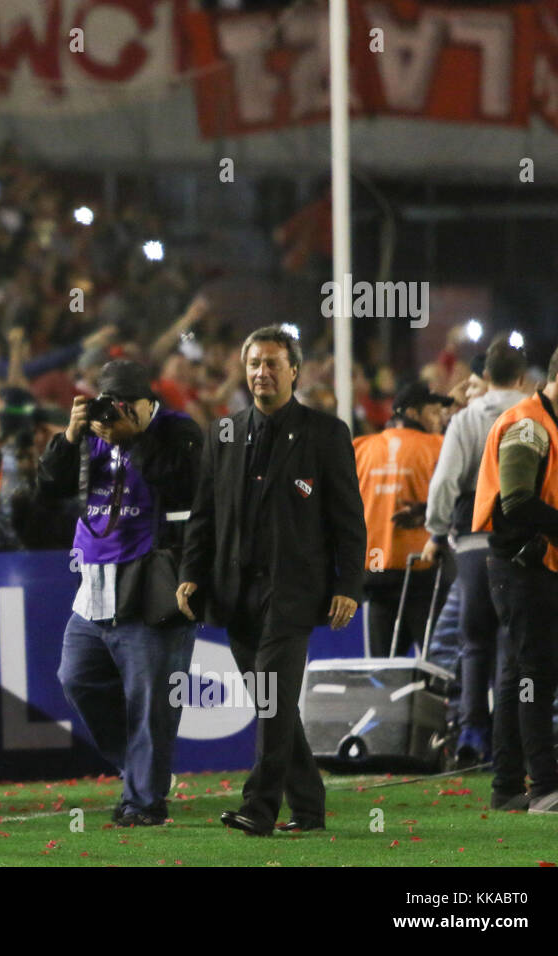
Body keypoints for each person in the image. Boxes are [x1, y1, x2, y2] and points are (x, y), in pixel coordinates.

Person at [177, 325, 366, 836]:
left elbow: (349, 519)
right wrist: (192, 574)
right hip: (236, 595)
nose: (262, 372)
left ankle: (259, 807)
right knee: (272, 701)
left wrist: (349, 583)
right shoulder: (222, 433)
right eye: (255, 363)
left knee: (271, 697)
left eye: (272, 364)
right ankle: (309, 806)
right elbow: (204, 517)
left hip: (293, 593)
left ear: (294, 371)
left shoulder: (326, 434)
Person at [40, 361, 203, 826]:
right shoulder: (90, 432)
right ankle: (142, 772)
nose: (115, 415)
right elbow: (47, 488)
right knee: (77, 678)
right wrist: (70, 438)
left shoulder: (179, 431)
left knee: (150, 701)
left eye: (127, 406)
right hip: (94, 585)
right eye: (111, 405)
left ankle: (144, 804)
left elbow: (187, 484)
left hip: (153, 585)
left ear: (148, 402)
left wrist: (133, 438)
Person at [471, 335, 558, 813]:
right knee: (535, 672)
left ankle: (507, 786)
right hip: (520, 568)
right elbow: (516, 502)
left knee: (518, 676)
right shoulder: (530, 426)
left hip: (522, 566)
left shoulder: (551, 425)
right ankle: (545, 787)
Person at [422, 339, 530, 771]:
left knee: (473, 641)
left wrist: (435, 527)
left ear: (485, 376)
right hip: (521, 538)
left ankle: (471, 735)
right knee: (511, 641)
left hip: (472, 536)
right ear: (521, 377)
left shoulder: (466, 418)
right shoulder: (532, 414)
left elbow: (446, 481)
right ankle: (511, 739)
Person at [353, 382, 451, 658]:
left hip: (375, 572)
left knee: (380, 671)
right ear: (411, 413)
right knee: (436, 667)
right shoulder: (439, 446)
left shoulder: (359, 448)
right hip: (424, 570)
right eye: (433, 413)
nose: (439, 420)